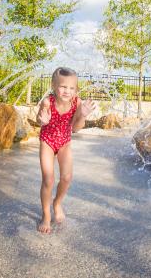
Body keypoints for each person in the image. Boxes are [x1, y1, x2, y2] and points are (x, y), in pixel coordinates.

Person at [36, 67, 95, 234]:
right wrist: (42, 120)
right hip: (47, 141)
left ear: (76, 89)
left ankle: (57, 203)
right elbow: (39, 119)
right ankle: (46, 215)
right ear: (54, 86)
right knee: (48, 179)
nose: (67, 91)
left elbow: (76, 128)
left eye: (71, 88)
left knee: (67, 177)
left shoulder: (77, 103)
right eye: (62, 86)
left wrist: (82, 115)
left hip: (64, 143)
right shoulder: (48, 102)